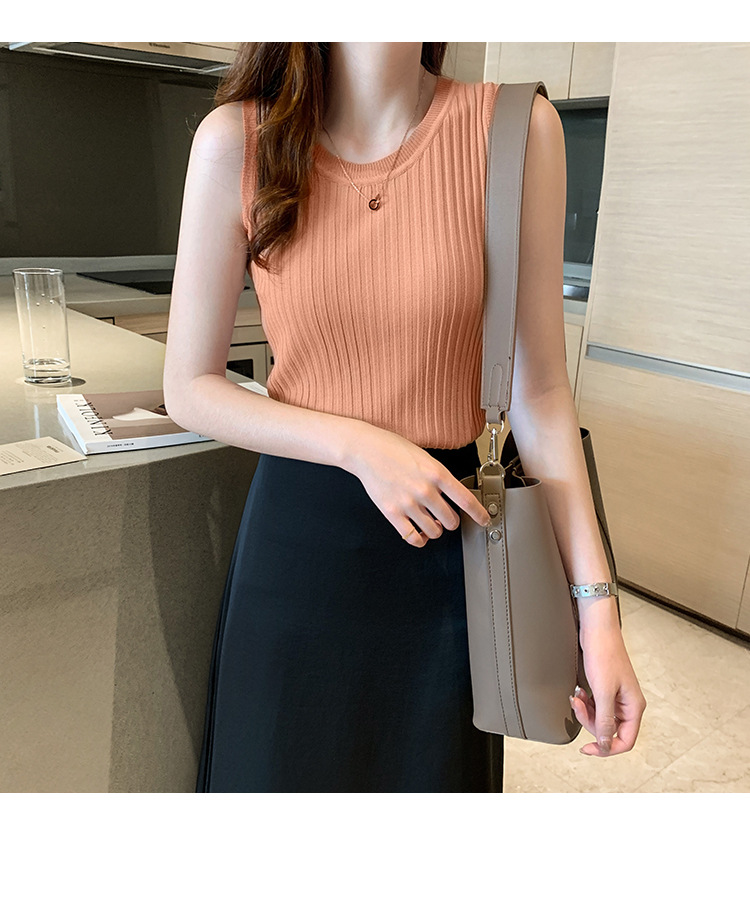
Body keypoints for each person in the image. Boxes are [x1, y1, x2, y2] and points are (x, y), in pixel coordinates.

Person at [163, 42, 646, 793]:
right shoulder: (238, 139)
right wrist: (359, 446)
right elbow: (189, 387)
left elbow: (541, 393)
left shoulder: (518, 130)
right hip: (297, 550)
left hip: (450, 554)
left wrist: (597, 610)